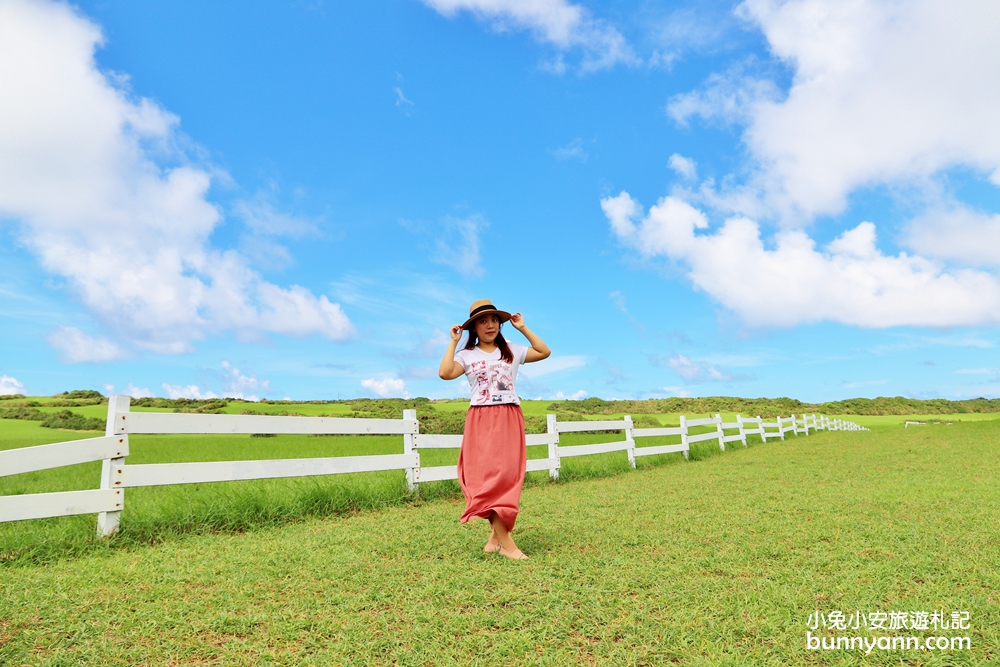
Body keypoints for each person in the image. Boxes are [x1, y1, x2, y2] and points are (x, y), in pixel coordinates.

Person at [438, 299, 550, 560]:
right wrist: (453, 342)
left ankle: (495, 537)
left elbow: (544, 352)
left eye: (494, 320)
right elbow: (444, 372)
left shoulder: (511, 349)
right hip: (481, 417)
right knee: (484, 477)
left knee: (508, 476)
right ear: (473, 328)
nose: (490, 325)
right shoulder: (467, 355)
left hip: (510, 414)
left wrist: (522, 327)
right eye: (483, 321)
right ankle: (508, 544)